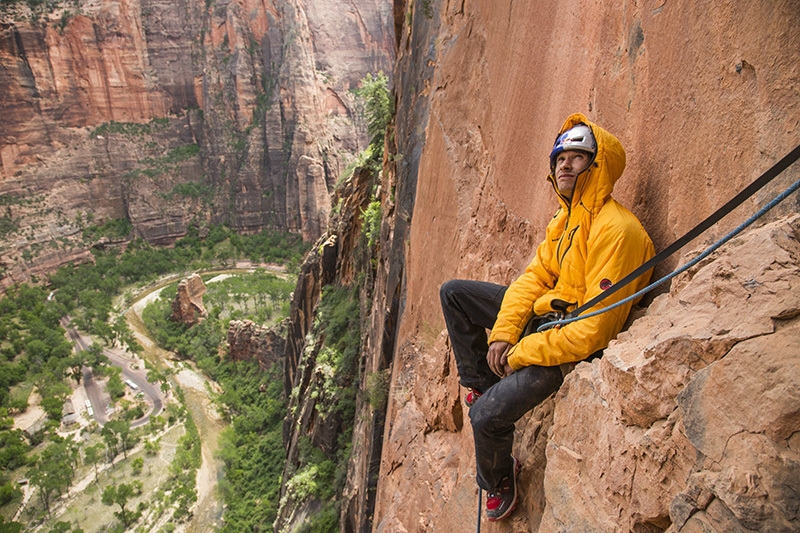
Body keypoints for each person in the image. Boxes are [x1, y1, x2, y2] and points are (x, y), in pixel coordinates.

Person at [439, 113, 655, 522]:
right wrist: (503, 332)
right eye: (560, 157)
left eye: (577, 157)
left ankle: (500, 478)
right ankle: (482, 384)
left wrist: (519, 353)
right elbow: (533, 278)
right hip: (547, 321)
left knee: (484, 418)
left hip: (569, 351)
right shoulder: (564, 220)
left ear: (598, 165)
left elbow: (592, 333)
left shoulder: (618, 230)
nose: (565, 165)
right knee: (454, 293)